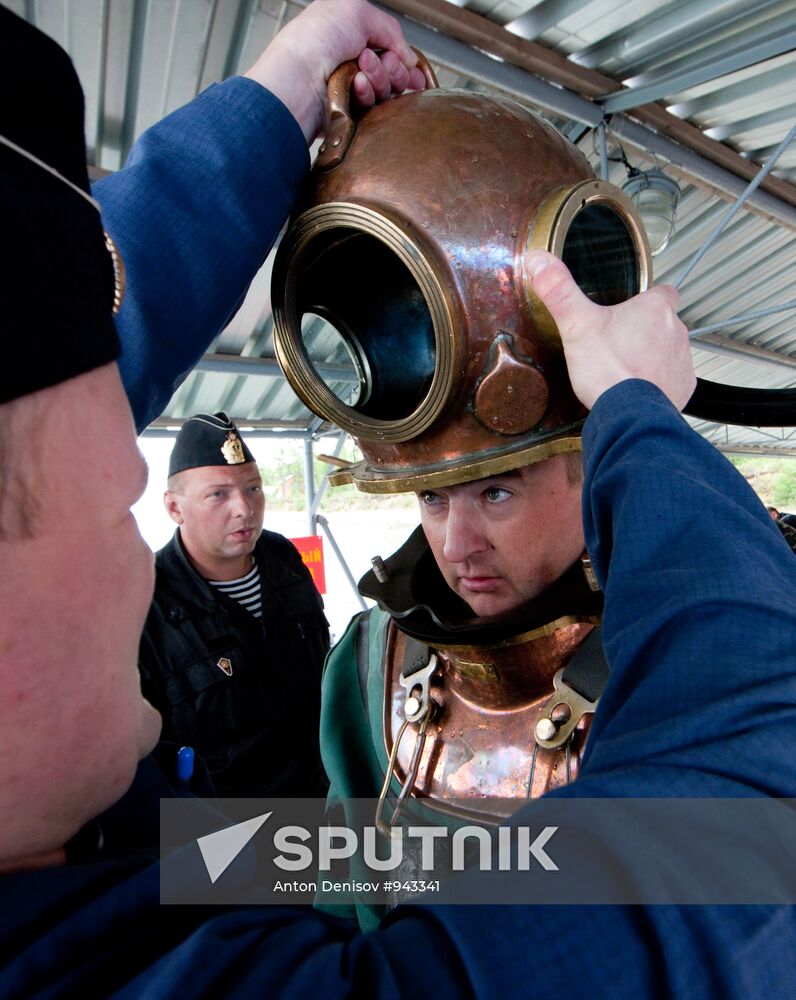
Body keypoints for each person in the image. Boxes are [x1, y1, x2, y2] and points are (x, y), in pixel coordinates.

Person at [3, 4, 796, 997]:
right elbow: (752, 832)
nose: (457, 537)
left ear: (585, 470)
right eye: (430, 497)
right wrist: (643, 418)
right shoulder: (372, 669)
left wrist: (276, 100)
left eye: (497, 487)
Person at [138, 411, 330, 797]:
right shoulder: (147, 603)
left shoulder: (282, 559)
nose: (244, 508)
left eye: (253, 488)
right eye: (218, 494)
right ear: (175, 508)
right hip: (225, 827)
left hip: (322, 797)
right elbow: (147, 757)